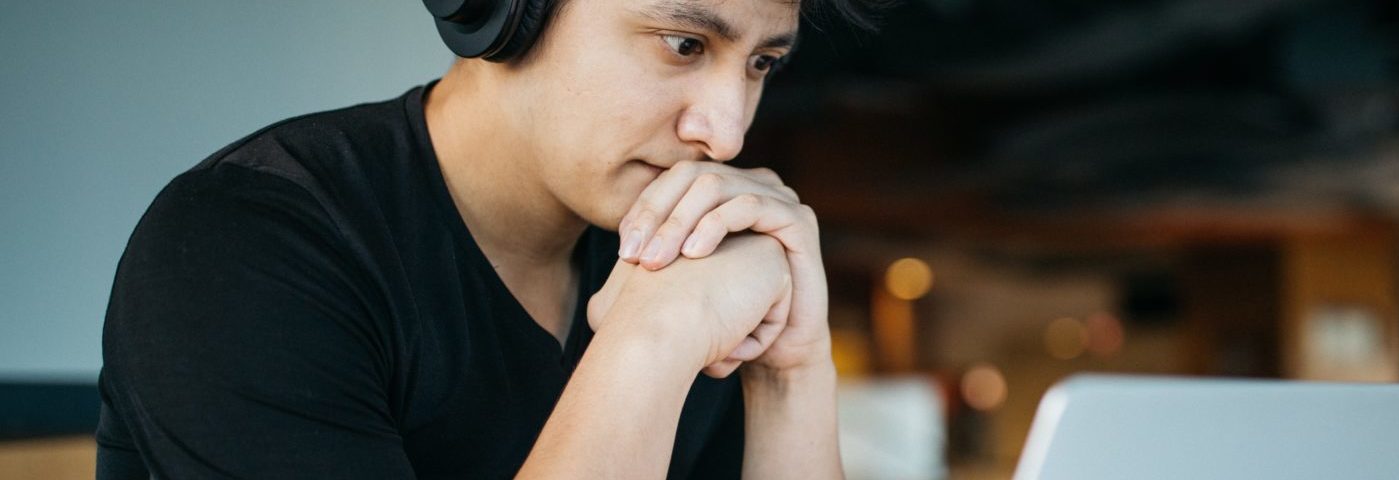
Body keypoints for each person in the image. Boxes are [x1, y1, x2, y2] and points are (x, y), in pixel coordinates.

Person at [95, 0, 874, 477]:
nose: (727, 133)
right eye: (684, 44)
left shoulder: (689, 254)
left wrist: (788, 373)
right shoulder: (245, 248)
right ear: (507, 9)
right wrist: (653, 339)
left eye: (762, 62)